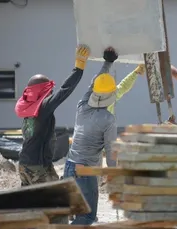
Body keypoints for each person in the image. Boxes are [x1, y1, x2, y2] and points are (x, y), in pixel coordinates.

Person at [14, 44, 90, 224]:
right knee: (57, 208)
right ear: (43, 91)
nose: (50, 94)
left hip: (26, 165)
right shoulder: (43, 107)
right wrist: (78, 68)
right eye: (48, 91)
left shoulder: (27, 108)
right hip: (37, 167)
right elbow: (64, 91)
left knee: (33, 205)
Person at [63, 47, 119, 225]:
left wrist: (107, 62)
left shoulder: (82, 105)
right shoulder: (108, 120)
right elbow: (111, 151)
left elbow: (95, 83)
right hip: (85, 172)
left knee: (81, 215)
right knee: (86, 217)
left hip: (69, 167)